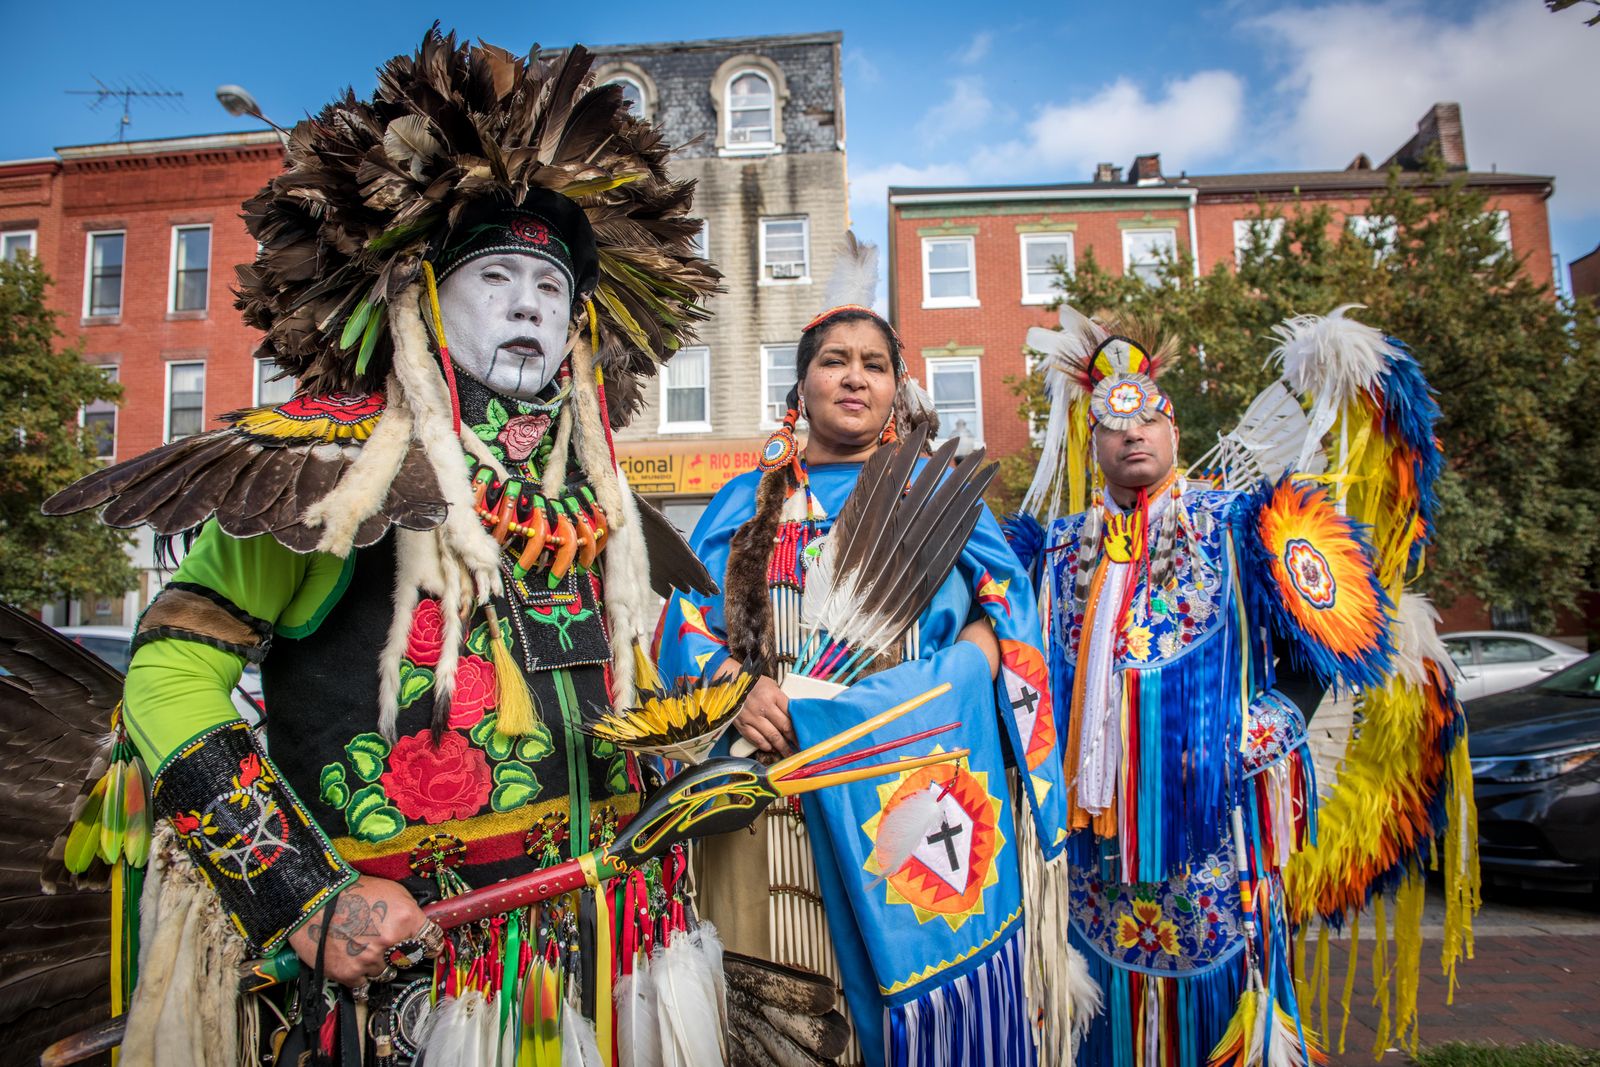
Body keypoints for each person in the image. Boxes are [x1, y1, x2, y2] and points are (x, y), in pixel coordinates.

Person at [44, 30, 721, 1066]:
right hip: (406, 977)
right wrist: (305, 897)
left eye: (549, 288)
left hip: (601, 952)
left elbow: (620, 699)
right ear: (420, 300)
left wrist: (696, 755)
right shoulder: (325, 470)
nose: (530, 303)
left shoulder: (595, 501)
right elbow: (174, 671)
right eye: (496, 275)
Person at [655, 240, 1078, 1067]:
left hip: (912, 789)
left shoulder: (933, 496)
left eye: (875, 364)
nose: (855, 377)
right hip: (773, 793)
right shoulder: (748, 499)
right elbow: (681, 619)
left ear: (895, 388)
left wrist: (972, 662)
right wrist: (731, 684)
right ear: (802, 385)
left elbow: (1012, 608)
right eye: (836, 361)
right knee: (784, 1017)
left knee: (903, 1024)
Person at [1020, 305, 1472, 1066]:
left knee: (1220, 1002)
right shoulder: (1052, 550)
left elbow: (1335, 642)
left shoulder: (1240, 523)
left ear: (1174, 432)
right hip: (1091, 855)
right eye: (1110, 422)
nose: (1131, 431)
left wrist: (1273, 722)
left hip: (1217, 835)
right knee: (1097, 1009)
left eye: (1149, 418)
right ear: (1089, 441)